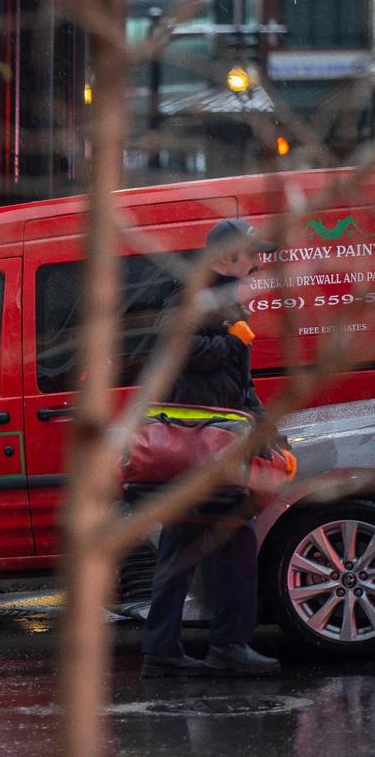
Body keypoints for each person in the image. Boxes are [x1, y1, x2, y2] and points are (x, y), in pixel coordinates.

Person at [140, 218, 281, 678]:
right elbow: (173, 346)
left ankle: (163, 649)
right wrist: (227, 341)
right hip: (199, 447)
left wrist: (266, 433)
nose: (258, 261)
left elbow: (241, 386)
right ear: (225, 258)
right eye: (251, 253)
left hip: (211, 444)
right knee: (233, 542)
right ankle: (227, 645)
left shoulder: (225, 300)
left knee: (184, 549)